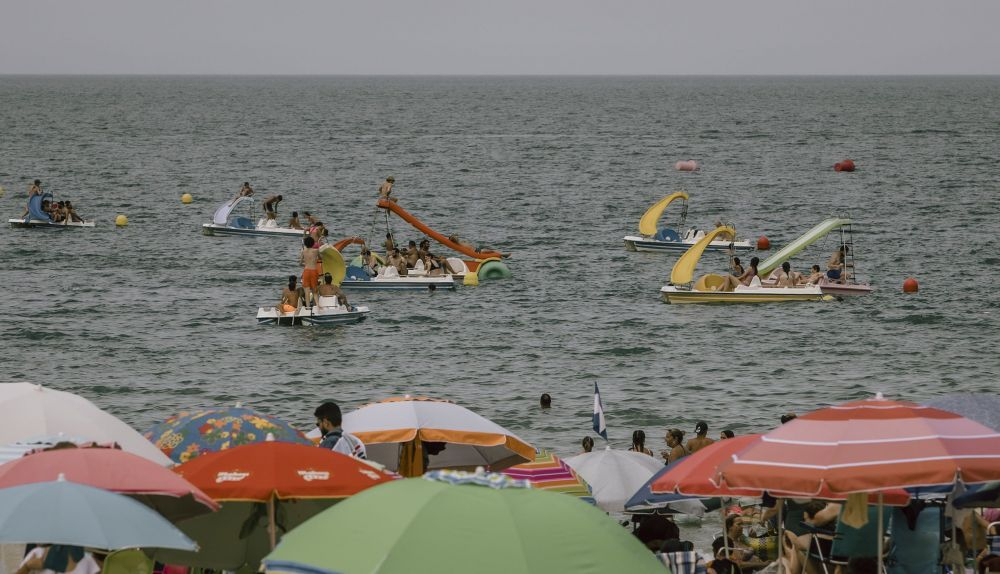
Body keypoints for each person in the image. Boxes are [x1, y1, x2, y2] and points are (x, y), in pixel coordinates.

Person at [299, 237, 320, 307]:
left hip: (306, 271)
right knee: (315, 291)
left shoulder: (303, 251)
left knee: (307, 292)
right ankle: (318, 306)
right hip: (314, 271)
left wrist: (306, 264)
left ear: (305, 244)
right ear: (313, 243)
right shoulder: (316, 251)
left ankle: (308, 308)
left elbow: (300, 263)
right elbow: (321, 258)